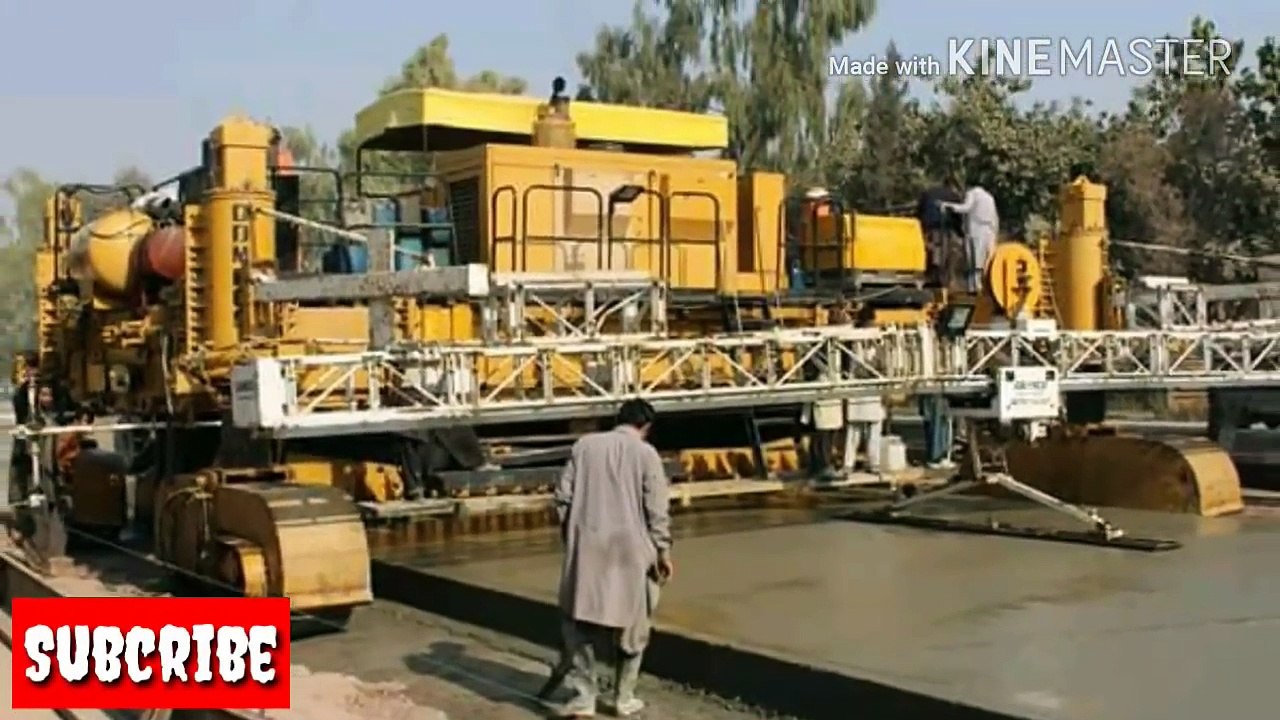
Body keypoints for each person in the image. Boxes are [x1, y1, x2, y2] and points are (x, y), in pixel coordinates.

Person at [552, 399, 673, 718]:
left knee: (578, 623)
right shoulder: (647, 454)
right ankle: (624, 698)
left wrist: (573, 538)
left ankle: (584, 699)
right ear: (645, 427)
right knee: (634, 627)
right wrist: (662, 550)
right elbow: (657, 509)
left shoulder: (584, 446)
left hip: (588, 549)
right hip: (631, 552)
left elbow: (562, 497)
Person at [941, 185, 999, 293]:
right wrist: (994, 233)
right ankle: (985, 284)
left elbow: (966, 207)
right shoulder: (989, 197)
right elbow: (995, 217)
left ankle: (973, 286)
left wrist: (949, 206)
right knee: (985, 258)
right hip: (989, 230)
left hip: (976, 229)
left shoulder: (972, 193)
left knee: (973, 258)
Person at [916, 186, 965, 289]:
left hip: (929, 226)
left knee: (932, 251)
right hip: (945, 226)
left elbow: (919, 211)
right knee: (947, 253)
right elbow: (957, 217)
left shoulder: (928, 192)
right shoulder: (953, 195)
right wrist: (960, 233)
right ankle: (944, 280)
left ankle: (932, 278)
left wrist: (921, 227)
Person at [918, 393, 954, 470]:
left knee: (943, 425)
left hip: (940, 395)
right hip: (932, 394)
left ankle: (942, 455)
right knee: (934, 425)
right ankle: (934, 457)